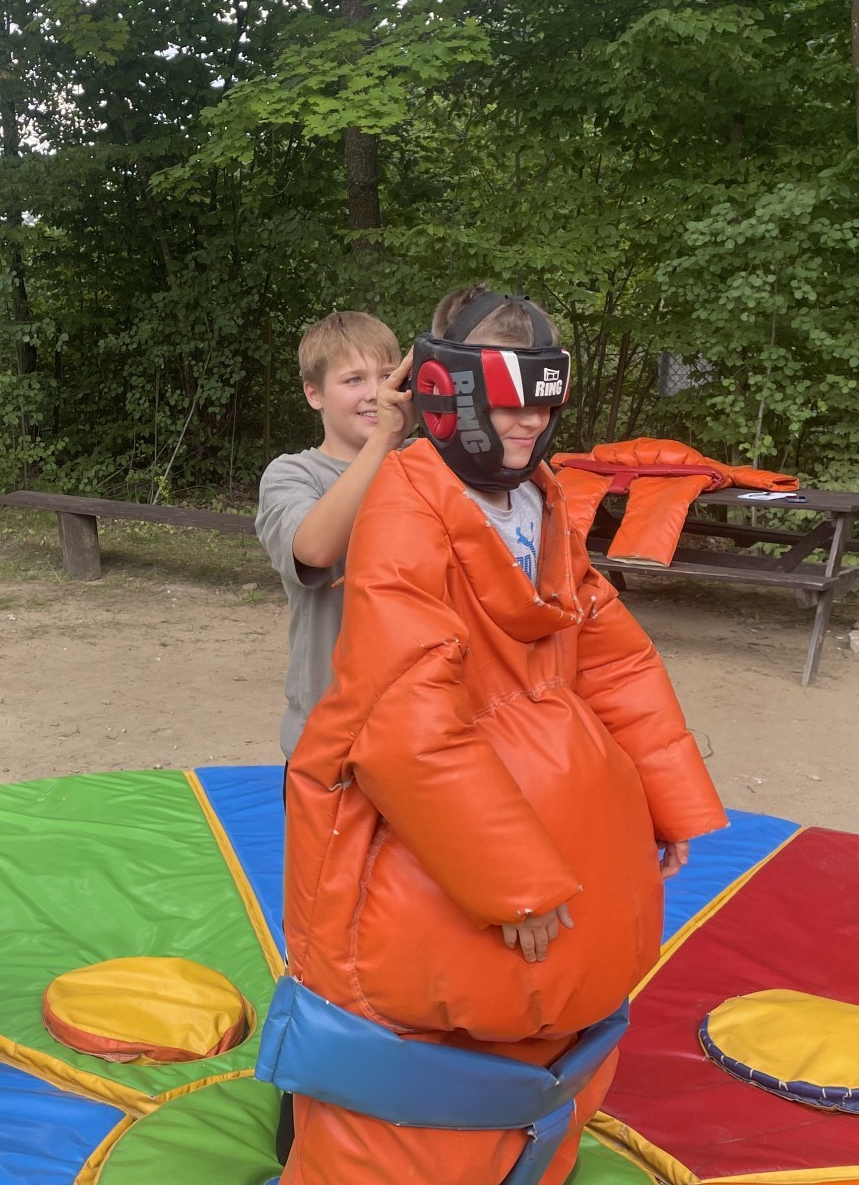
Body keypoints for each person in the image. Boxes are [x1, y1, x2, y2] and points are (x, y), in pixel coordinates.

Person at [263, 288, 727, 1185]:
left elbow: (609, 657)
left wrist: (663, 801)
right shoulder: (405, 500)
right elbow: (403, 714)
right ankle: (312, 1117)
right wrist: (512, 882)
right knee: (388, 997)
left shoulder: (540, 500)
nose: (529, 425)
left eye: (543, 405)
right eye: (508, 403)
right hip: (423, 816)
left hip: (530, 807)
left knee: (548, 1004)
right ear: (448, 392)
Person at [254, 311, 410, 760]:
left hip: (415, 731)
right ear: (314, 394)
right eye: (353, 380)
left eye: (387, 376)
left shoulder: (423, 464)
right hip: (327, 740)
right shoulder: (291, 474)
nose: (375, 393)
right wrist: (386, 438)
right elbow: (315, 548)